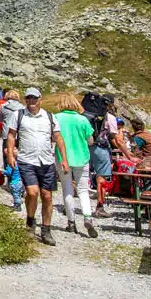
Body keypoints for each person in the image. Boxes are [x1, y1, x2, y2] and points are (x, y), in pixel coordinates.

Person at [7, 87, 68, 246]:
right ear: (25, 100)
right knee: (32, 192)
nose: (31, 101)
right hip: (27, 160)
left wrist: (64, 159)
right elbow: (11, 135)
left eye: (34, 98)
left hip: (46, 161)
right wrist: (10, 155)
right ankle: (30, 222)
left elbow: (58, 138)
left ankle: (46, 230)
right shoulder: (18, 115)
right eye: (28, 98)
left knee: (47, 195)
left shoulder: (49, 116)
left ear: (40, 99)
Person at [53, 101, 98, 238]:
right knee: (83, 190)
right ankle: (87, 217)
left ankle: (71, 222)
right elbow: (90, 140)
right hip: (82, 157)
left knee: (67, 189)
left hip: (63, 158)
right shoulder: (83, 119)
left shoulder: (56, 117)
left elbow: (53, 137)